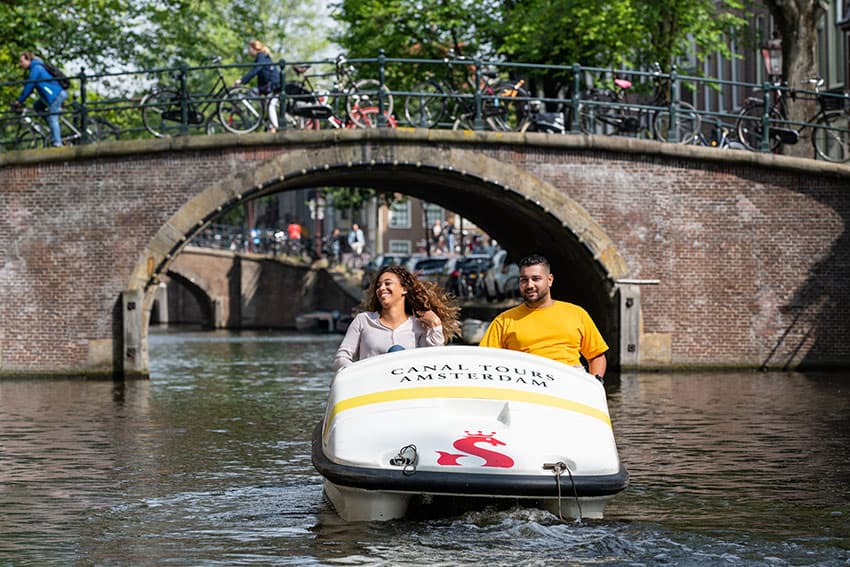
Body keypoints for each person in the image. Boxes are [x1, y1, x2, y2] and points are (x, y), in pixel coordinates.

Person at [479, 254, 608, 379]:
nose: (529, 285)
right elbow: (484, 360)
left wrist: (596, 382)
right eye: (524, 280)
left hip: (570, 378)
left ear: (550, 280)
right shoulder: (503, 321)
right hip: (526, 381)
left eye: (536, 279)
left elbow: (596, 355)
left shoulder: (576, 314)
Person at [334, 265, 461, 369]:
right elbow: (342, 356)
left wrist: (435, 325)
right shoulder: (363, 320)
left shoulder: (419, 325)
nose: (381, 288)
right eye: (378, 285)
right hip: (371, 387)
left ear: (404, 289)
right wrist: (353, 371)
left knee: (397, 351)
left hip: (405, 390)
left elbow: (434, 362)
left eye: (387, 283)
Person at [13, 52, 68, 148]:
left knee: (52, 117)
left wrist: (19, 101)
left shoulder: (36, 69)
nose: (21, 64)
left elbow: (30, 85)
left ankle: (57, 143)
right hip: (50, 95)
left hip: (56, 95)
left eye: (22, 61)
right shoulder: (37, 67)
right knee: (37, 106)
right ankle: (53, 129)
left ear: (28, 60)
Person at [234, 39, 282, 132]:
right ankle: (260, 120)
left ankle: (274, 128)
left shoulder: (261, 56)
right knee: (253, 95)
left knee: (270, 105)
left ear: (253, 48)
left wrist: (242, 81)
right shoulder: (263, 56)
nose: (248, 51)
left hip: (273, 85)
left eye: (249, 49)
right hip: (268, 85)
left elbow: (256, 70)